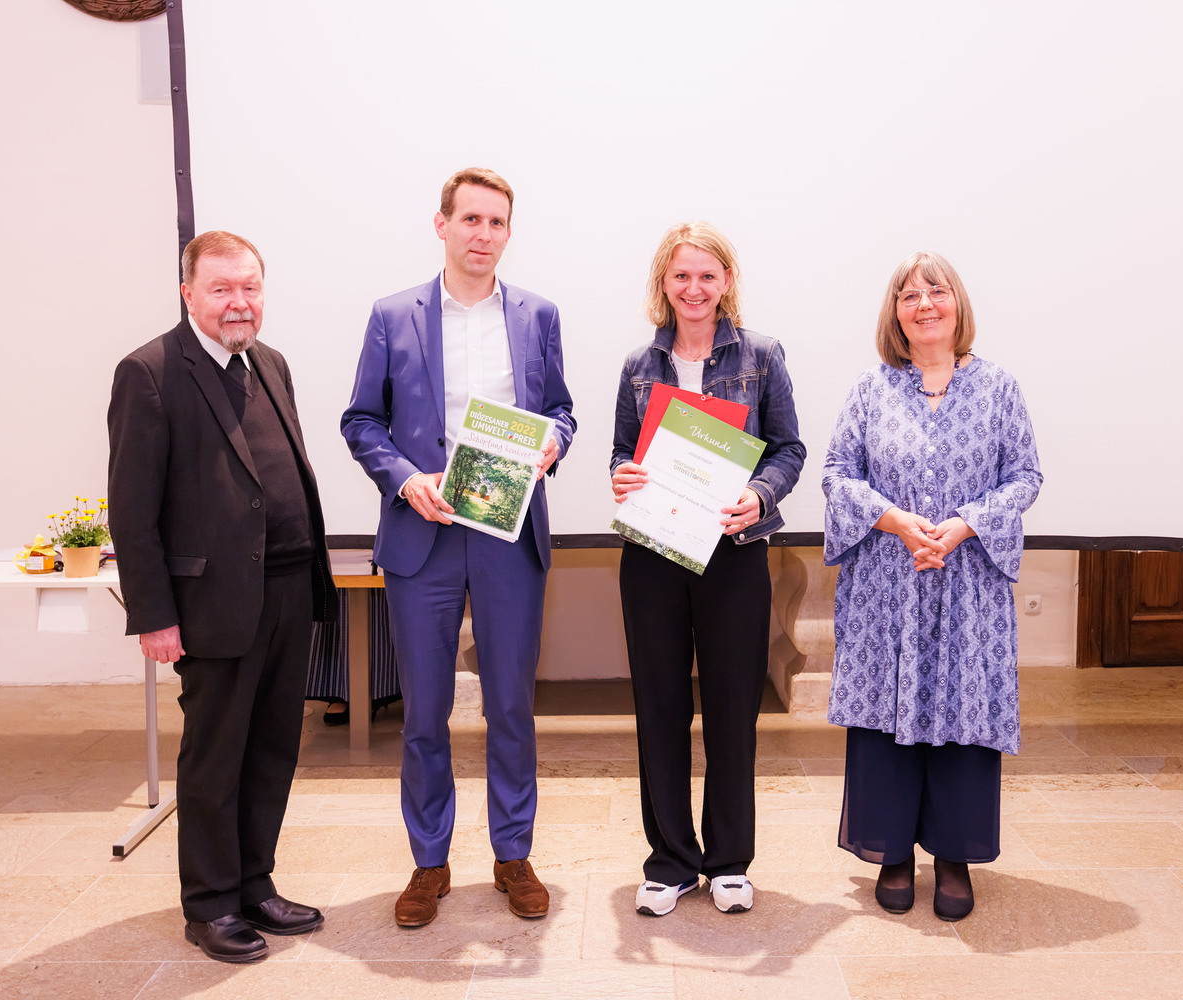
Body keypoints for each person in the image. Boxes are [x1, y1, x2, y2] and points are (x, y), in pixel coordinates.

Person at [342, 167, 576, 928]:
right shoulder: (393, 315)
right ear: (441, 224)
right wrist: (405, 479)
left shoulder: (538, 315)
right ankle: (429, 862)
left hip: (509, 533)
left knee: (511, 706)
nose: (483, 234)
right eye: (471, 219)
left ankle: (513, 855)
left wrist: (553, 445)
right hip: (425, 534)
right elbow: (361, 422)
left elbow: (561, 411)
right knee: (425, 712)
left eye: (496, 222)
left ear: (509, 232)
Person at [108, 230, 338, 962]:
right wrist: (153, 615)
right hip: (212, 603)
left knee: (272, 749)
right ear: (188, 293)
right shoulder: (149, 372)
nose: (239, 302)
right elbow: (131, 510)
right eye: (221, 289)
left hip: (288, 590)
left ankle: (254, 884)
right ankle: (209, 904)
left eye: (250, 287)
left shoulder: (269, 362)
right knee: (215, 758)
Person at [821, 251, 1041, 921]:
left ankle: (952, 856)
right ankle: (891, 851)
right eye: (909, 295)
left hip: (967, 585)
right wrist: (895, 521)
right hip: (887, 584)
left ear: (957, 303)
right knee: (885, 712)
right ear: (895, 314)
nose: (924, 305)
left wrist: (965, 526)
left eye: (935, 292)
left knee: (963, 714)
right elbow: (836, 474)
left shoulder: (999, 388)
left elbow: (1024, 477)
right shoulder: (871, 389)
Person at [610, 221, 805, 916]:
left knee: (731, 710)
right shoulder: (639, 365)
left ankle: (728, 862)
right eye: (681, 276)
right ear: (663, 284)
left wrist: (760, 494)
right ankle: (669, 861)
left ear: (726, 282)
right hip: (654, 554)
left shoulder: (763, 355)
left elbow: (788, 449)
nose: (694, 288)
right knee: (659, 707)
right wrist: (623, 475)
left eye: (707, 276)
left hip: (734, 553)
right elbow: (620, 452)